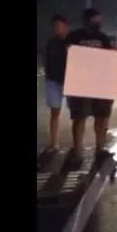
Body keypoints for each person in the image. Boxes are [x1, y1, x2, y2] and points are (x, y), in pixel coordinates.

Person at [65, 8, 114, 161]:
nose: (98, 23)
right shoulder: (74, 36)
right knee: (79, 118)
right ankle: (77, 151)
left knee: (102, 117)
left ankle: (100, 149)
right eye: (95, 19)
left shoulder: (104, 38)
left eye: (100, 20)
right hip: (80, 83)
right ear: (86, 20)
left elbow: (110, 59)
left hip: (100, 84)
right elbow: (68, 56)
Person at [42, 15, 69, 153]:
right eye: (54, 27)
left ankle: (77, 145)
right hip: (53, 81)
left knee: (79, 115)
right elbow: (47, 62)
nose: (56, 29)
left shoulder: (72, 42)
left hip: (71, 81)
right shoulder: (50, 43)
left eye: (59, 26)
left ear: (66, 26)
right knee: (55, 113)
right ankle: (53, 143)